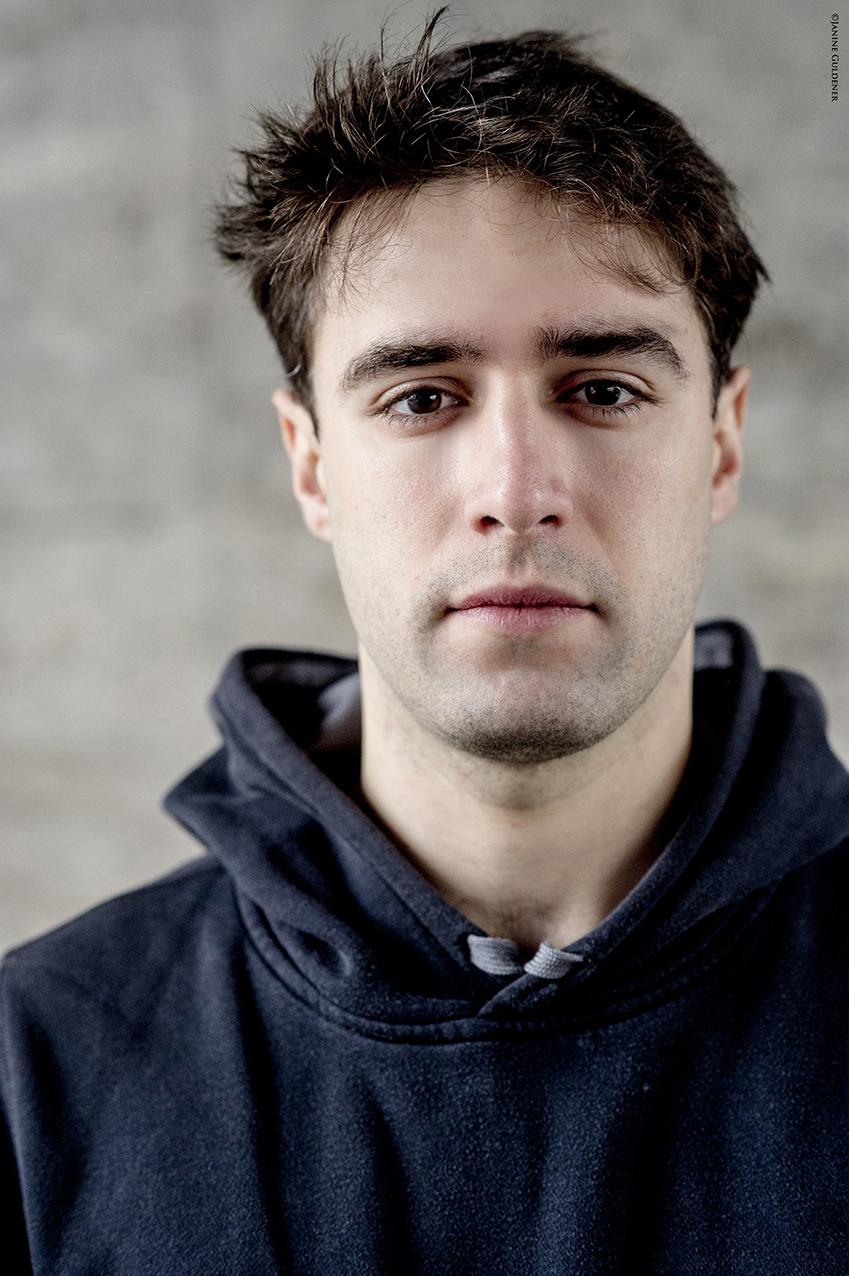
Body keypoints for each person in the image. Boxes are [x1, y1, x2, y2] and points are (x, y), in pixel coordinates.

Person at [3, 19, 848, 1273]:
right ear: (311, 464)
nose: (516, 489)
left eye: (603, 389)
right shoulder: (36, 1072)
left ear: (721, 445)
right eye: (421, 396)